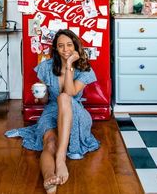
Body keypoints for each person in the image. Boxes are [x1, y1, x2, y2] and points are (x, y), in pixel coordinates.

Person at [5, 29, 100, 194]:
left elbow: (70, 94)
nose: (65, 49)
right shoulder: (46, 67)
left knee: (64, 98)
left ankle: (61, 159)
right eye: (61, 46)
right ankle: (49, 177)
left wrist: (69, 65)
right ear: (55, 49)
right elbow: (46, 98)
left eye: (69, 45)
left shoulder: (85, 69)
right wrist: (39, 98)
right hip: (51, 110)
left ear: (76, 47)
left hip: (76, 111)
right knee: (49, 143)